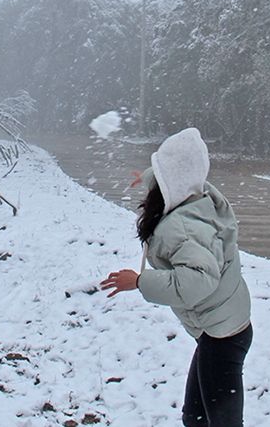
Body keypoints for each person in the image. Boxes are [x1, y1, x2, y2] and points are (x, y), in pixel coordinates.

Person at [100, 127, 252, 427]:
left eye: (159, 174)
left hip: (223, 337)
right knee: (195, 418)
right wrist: (148, 176)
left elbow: (197, 282)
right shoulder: (199, 196)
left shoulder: (184, 227)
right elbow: (181, 174)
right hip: (223, 328)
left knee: (221, 423)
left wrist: (139, 282)